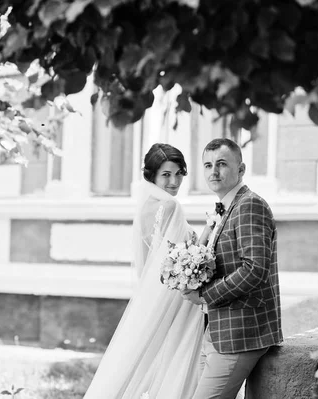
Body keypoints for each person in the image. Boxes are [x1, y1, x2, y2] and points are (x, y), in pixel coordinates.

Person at [83, 143, 205, 399]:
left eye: (179, 173)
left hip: (153, 294)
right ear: (152, 176)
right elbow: (178, 256)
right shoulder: (171, 206)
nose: (174, 181)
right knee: (174, 357)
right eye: (166, 174)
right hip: (178, 298)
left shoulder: (145, 206)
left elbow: (151, 259)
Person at [183, 138, 283, 399]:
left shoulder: (250, 205)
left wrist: (204, 295)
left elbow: (254, 269)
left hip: (241, 333)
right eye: (208, 165)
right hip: (216, 329)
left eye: (222, 164)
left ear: (241, 169)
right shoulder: (225, 207)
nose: (213, 172)